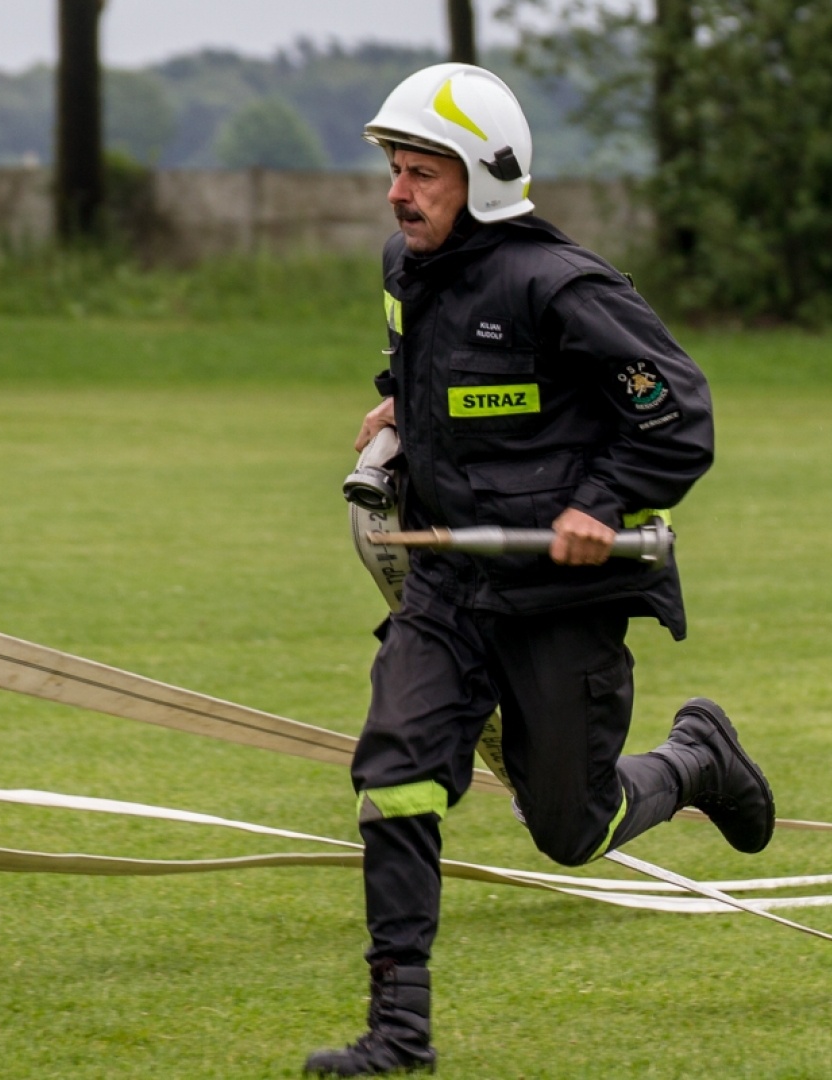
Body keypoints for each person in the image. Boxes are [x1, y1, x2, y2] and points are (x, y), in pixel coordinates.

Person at [303, 64, 776, 1077]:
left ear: (483, 176)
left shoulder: (561, 288)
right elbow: (421, 367)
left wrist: (597, 508)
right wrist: (398, 410)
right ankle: (399, 1037)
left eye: (423, 172)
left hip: (561, 600)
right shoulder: (407, 270)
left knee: (570, 826)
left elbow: (676, 417)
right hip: (448, 591)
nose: (399, 192)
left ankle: (697, 759)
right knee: (395, 775)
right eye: (396, 168)